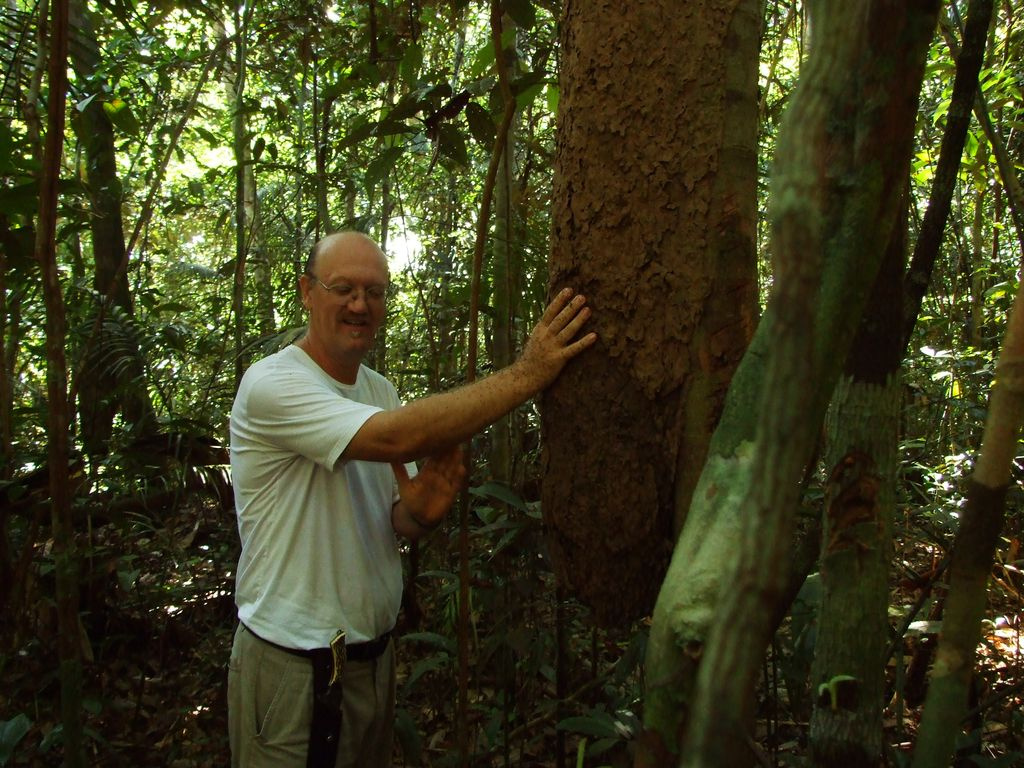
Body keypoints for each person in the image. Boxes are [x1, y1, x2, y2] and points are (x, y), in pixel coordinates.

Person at [227, 231, 596, 768]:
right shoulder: (273, 384)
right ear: (307, 292)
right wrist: (529, 373)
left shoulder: (377, 391)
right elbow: (397, 438)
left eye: (375, 293)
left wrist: (419, 515)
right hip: (293, 669)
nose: (360, 305)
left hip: (371, 662)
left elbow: (389, 519)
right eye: (343, 288)